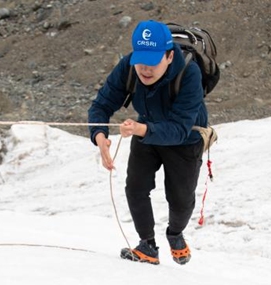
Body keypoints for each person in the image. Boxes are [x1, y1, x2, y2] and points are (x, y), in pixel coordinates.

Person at [88, 19, 209, 266]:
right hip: (146, 131)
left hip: (185, 139)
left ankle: (175, 234)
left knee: (181, 199)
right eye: (140, 60)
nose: (144, 69)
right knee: (135, 187)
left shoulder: (189, 73)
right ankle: (147, 246)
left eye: (152, 62)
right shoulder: (129, 67)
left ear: (168, 56)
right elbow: (101, 105)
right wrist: (99, 136)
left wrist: (141, 129)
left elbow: (178, 129)